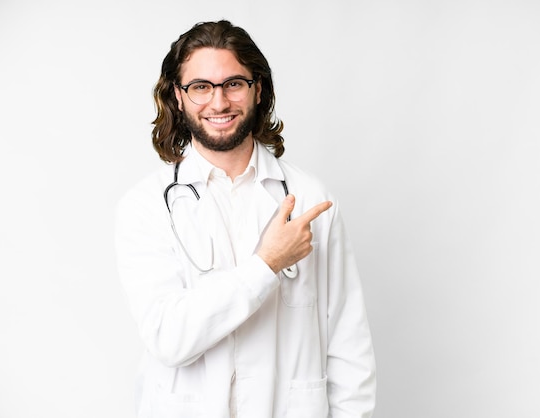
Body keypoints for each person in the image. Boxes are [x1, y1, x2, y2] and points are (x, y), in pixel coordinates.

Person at [114, 20, 376, 418]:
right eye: (200, 86)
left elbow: (348, 344)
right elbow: (169, 338)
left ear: (258, 89)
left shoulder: (310, 199)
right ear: (178, 97)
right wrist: (266, 264)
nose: (218, 103)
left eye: (233, 83)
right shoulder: (148, 205)